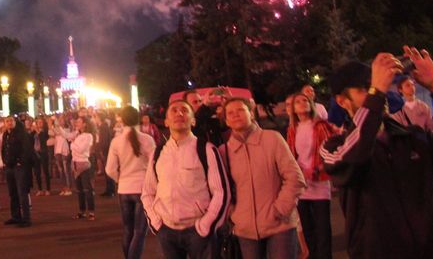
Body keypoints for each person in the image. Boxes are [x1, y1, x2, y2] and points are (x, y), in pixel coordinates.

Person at [321, 47, 433, 259]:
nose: (381, 91)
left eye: (378, 85)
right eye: (365, 88)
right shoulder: (334, 147)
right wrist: (375, 93)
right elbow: (352, 160)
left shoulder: (413, 138)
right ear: (342, 101)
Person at [142, 99, 230, 259]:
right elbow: (148, 192)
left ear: (193, 120)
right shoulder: (158, 153)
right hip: (167, 231)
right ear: (166, 122)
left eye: (184, 110)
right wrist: (156, 224)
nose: (179, 113)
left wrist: (205, 226)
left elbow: (221, 192)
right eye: (174, 111)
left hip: (199, 231)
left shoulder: (206, 149)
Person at [223, 97, 306, 259]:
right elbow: (221, 189)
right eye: (230, 113)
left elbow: (294, 178)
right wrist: (233, 214)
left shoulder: (272, 139)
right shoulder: (223, 151)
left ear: (251, 114)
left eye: (240, 110)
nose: (235, 115)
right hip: (245, 229)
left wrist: (280, 209)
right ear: (226, 121)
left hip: (279, 224)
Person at [286, 91, 336, 259]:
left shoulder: (320, 126)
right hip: (302, 185)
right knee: (307, 228)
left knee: (323, 229)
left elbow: (329, 153)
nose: (302, 103)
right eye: (298, 101)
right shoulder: (293, 129)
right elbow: (291, 156)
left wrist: (314, 170)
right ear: (293, 109)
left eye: (305, 100)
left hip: (319, 181)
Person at [106, 106, 157, 259]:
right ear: (138, 118)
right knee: (140, 232)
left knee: (128, 230)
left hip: (124, 189)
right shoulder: (147, 139)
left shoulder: (116, 141)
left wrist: (120, 179)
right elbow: (154, 164)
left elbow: (110, 169)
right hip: (142, 189)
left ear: (122, 119)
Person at [1, 117, 34, 227]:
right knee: (12, 193)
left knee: (22, 193)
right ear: (4, 124)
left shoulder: (21, 134)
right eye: (7, 121)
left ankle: (26, 219)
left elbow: (27, 149)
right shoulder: (6, 134)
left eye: (11, 121)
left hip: (19, 167)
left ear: (15, 123)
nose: (9, 123)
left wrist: (20, 161)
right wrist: (4, 161)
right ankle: (16, 216)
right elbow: (4, 149)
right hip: (9, 166)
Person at [70, 116, 96, 220]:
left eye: (79, 121)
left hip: (84, 164)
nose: (77, 123)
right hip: (75, 163)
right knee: (79, 190)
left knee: (87, 189)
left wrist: (72, 143)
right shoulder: (77, 134)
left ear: (85, 124)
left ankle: (91, 211)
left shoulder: (88, 136)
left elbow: (81, 149)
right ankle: (81, 211)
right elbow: (66, 135)